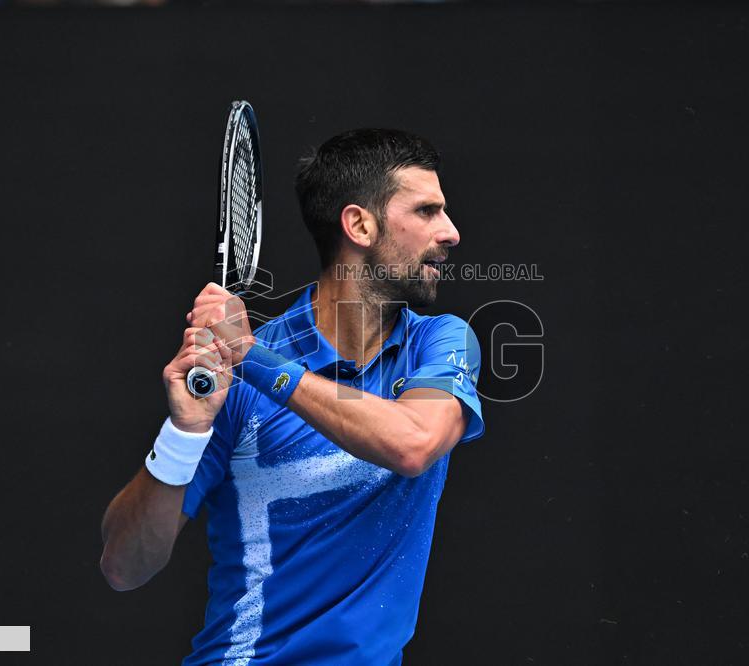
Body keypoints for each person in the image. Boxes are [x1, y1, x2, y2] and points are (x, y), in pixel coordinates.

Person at [100, 128, 485, 665]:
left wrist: (251, 359)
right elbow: (124, 567)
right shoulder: (236, 386)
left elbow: (412, 444)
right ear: (359, 225)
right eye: (427, 211)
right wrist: (182, 433)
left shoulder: (438, 342)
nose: (452, 232)